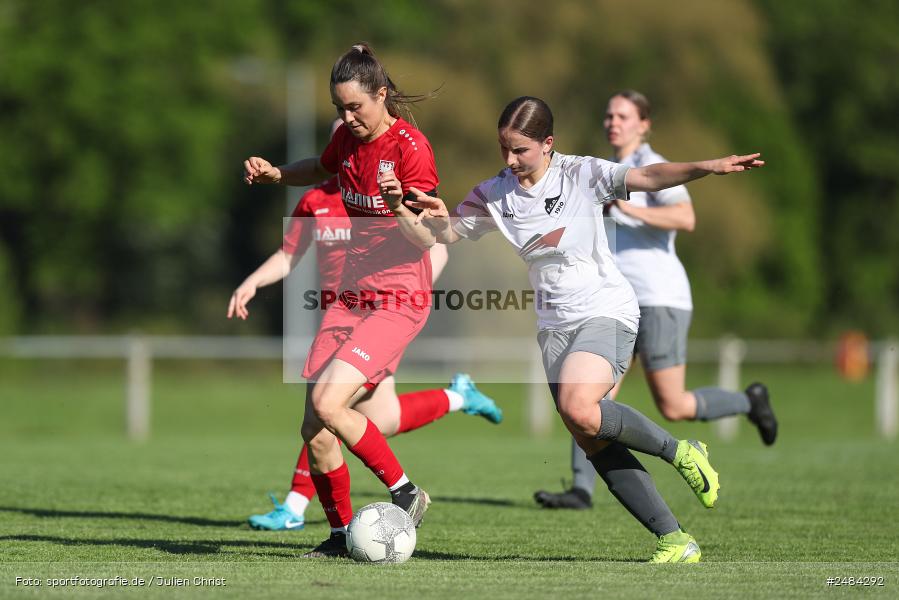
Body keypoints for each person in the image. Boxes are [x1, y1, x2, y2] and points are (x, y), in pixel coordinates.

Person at [397, 96, 764, 563]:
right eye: (503, 148)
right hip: (554, 327)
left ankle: (681, 453)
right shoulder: (494, 193)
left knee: (579, 404)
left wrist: (708, 167)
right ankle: (675, 539)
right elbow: (444, 234)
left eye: (520, 151)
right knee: (589, 433)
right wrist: (413, 211)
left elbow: (649, 177)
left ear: (548, 144)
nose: (509, 160)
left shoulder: (580, 174)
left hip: (605, 309)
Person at [230, 121, 503, 533]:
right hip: (342, 314)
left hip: (383, 316)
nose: (354, 143)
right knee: (376, 419)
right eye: (342, 130)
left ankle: (298, 504)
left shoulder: (386, 187)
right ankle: (457, 397)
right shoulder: (315, 200)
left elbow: (432, 241)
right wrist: (252, 280)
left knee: (329, 409)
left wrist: (416, 292)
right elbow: (289, 256)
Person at [242, 43, 450, 557]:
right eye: (339, 108)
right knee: (314, 428)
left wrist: (399, 203)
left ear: (381, 96)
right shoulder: (349, 146)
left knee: (328, 402)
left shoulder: (411, 149)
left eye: (355, 107)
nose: (347, 117)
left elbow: (428, 239)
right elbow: (319, 166)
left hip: (398, 297)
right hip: (351, 298)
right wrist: (277, 175)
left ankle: (405, 492)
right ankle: (338, 536)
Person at [534, 90, 778, 511]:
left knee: (674, 404)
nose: (613, 122)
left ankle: (749, 402)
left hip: (659, 296)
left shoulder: (651, 166)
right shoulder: (601, 171)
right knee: (591, 397)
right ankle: (580, 489)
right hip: (610, 304)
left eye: (623, 116)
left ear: (643, 124)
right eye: (609, 115)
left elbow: (686, 218)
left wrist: (631, 211)